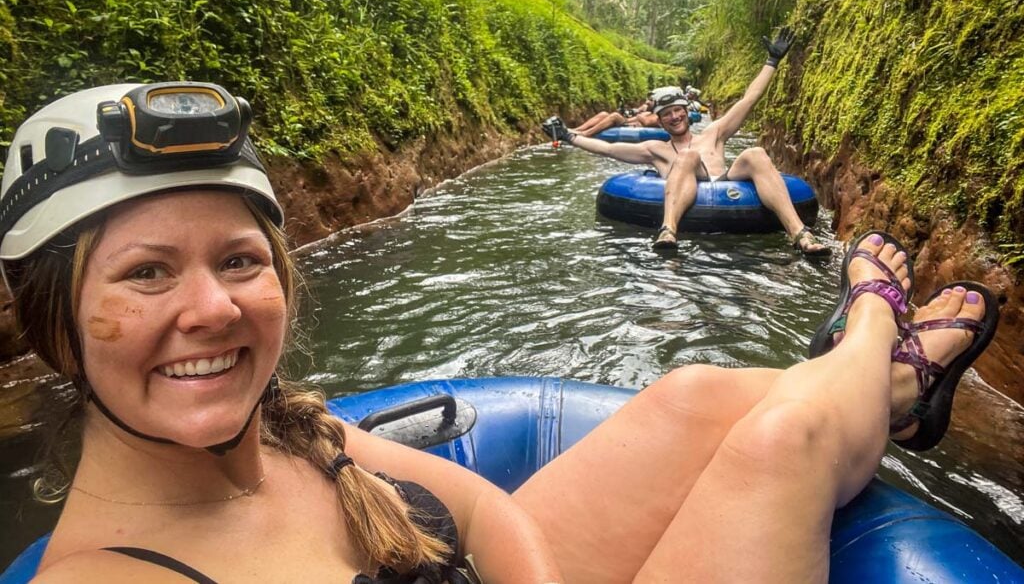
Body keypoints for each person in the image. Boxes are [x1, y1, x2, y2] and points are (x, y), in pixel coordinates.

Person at [4, 82, 998, 583]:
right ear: (52, 318)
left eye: (239, 259)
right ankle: (875, 330)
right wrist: (578, 138)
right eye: (146, 271)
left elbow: (483, 512)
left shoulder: (283, 433)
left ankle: (897, 388)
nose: (213, 308)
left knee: (697, 391)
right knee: (780, 440)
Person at [543, 27, 830, 255]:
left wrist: (772, 61)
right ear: (660, 119)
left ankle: (800, 235)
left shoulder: (714, 132)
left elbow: (749, 98)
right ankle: (668, 230)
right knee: (688, 156)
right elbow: (607, 148)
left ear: (686, 113)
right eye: (666, 114)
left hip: (723, 179)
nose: (674, 117)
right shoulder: (655, 150)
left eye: (678, 111)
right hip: (688, 182)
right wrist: (569, 136)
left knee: (755, 152)